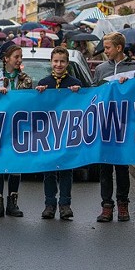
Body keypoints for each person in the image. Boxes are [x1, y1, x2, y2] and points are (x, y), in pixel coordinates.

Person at [93, 31, 135, 222]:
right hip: (105, 124)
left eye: (107, 48)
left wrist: (128, 86)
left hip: (124, 125)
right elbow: (94, 93)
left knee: (122, 167)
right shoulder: (101, 69)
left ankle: (123, 204)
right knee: (105, 168)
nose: (105, 51)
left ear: (119, 48)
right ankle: (106, 206)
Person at [0, 41, 33, 218]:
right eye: (16, 57)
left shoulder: (25, 79)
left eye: (21, 57)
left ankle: (13, 202)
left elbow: (30, 103)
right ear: (6, 59)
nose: (19, 60)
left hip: (17, 129)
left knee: (15, 164)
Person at [35, 47, 83, 220]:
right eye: (55, 61)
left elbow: (83, 106)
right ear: (51, 62)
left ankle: (65, 204)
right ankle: (49, 204)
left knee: (66, 169)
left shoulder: (75, 82)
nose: (59, 64)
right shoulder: (44, 82)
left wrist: (79, 94)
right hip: (49, 133)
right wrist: (38, 93)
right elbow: (37, 108)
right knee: (49, 168)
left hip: (68, 132)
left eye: (62, 61)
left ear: (67, 63)